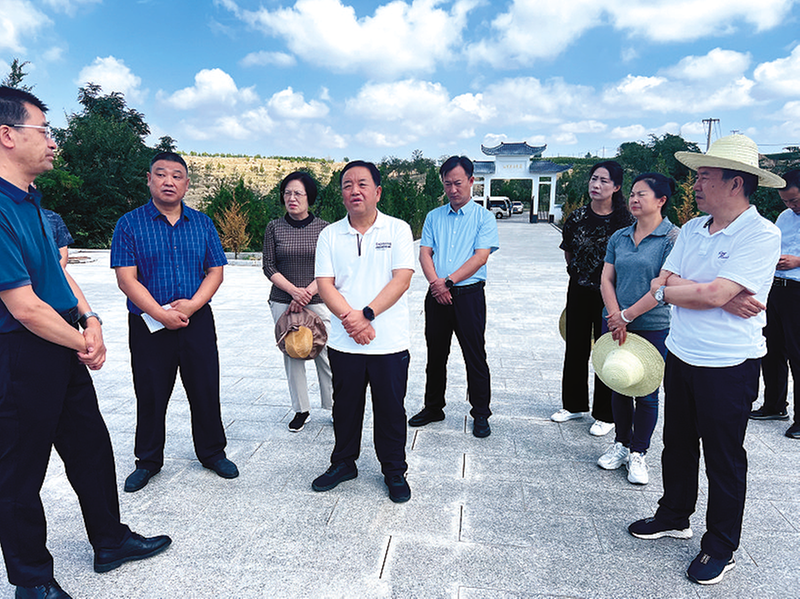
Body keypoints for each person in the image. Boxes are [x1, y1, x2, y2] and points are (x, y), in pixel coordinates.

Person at [0, 86, 170, 599]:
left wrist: (90, 318)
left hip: (58, 343)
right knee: (19, 473)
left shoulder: (30, 202)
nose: (53, 141)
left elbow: (56, 274)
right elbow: (23, 306)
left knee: (91, 447)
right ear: (7, 135)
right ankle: (32, 581)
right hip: (21, 353)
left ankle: (110, 541)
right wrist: (80, 340)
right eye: (43, 130)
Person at [627, 134, 783, 585]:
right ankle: (674, 514)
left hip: (729, 364)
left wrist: (702, 293)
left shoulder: (761, 233)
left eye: (705, 176)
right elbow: (666, 280)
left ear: (736, 183)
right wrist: (712, 294)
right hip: (682, 353)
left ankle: (720, 545)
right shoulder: (694, 228)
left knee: (723, 457)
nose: (695, 184)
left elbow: (704, 291)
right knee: (677, 443)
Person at [111, 151, 238, 493]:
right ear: (149, 179)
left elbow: (215, 271)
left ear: (186, 183)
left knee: (205, 387)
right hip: (149, 325)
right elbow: (126, 279)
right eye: (161, 174)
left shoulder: (202, 223)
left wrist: (194, 304)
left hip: (197, 320)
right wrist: (159, 313)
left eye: (176, 176)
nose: (169, 181)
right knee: (150, 392)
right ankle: (148, 460)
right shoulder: (129, 224)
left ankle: (213, 453)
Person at [311, 160, 415, 503]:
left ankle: (394, 470)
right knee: (345, 408)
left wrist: (366, 315)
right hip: (345, 342)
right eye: (347, 185)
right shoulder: (330, 234)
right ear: (341, 194)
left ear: (377, 192)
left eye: (362, 184)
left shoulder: (397, 229)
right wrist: (351, 320)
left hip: (388, 342)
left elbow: (402, 279)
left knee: (391, 410)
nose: (354, 191)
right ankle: (343, 463)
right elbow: (325, 284)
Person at [408, 156, 499, 437]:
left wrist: (447, 282)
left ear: (471, 181)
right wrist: (436, 284)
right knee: (436, 355)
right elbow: (425, 253)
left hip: (468, 295)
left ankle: (481, 413)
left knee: (475, 355)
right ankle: (433, 407)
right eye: (447, 184)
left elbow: (480, 257)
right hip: (437, 296)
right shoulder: (434, 217)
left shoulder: (484, 218)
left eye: (458, 183)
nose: (453, 189)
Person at [597, 173, 679, 484]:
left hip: (651, 326)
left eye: (641, 194)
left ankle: (639, 452)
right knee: (619, 382)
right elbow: (607, 279)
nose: (633, 199)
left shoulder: (672, 238)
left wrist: (627, 316)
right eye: (632, 194)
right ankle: (621, 443)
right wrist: (615, 315)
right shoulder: (619, 237)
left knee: (646, 392)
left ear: (661, 200)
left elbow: (663, 287)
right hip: (615, 323)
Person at [553, 161, 635, 435]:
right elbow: (569, 252)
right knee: (575, 347)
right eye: (593, 179)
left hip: (611, 295)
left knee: (607, 350)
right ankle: (574, 405)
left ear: (617, 187)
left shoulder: (626, 222)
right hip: (579, 290)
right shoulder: (576, 218)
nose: (596, 185)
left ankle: (605, 414)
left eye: (604, 181)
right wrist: (580, 274)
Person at [262, 171, 333, 432]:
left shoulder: (324, 228)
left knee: (325, 352)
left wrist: (306, 293)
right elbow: (269, 266)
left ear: (309, 197)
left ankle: (335, 406)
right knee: (293, 352)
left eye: (298, 193)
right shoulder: (274, 227)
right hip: (283, 300)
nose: (292, 198)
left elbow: (330, 266)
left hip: (318, 297)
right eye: (287, 193)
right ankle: (301, 409)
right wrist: (294, 292)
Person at [749, 169, 800, 439]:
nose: (791, 206)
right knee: (772, 350)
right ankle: (774, 405)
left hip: (798, 291)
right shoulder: (784, 217)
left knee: (798, 354)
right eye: (786, 201)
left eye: (795, 200)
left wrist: (798, 261)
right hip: (776, 288)